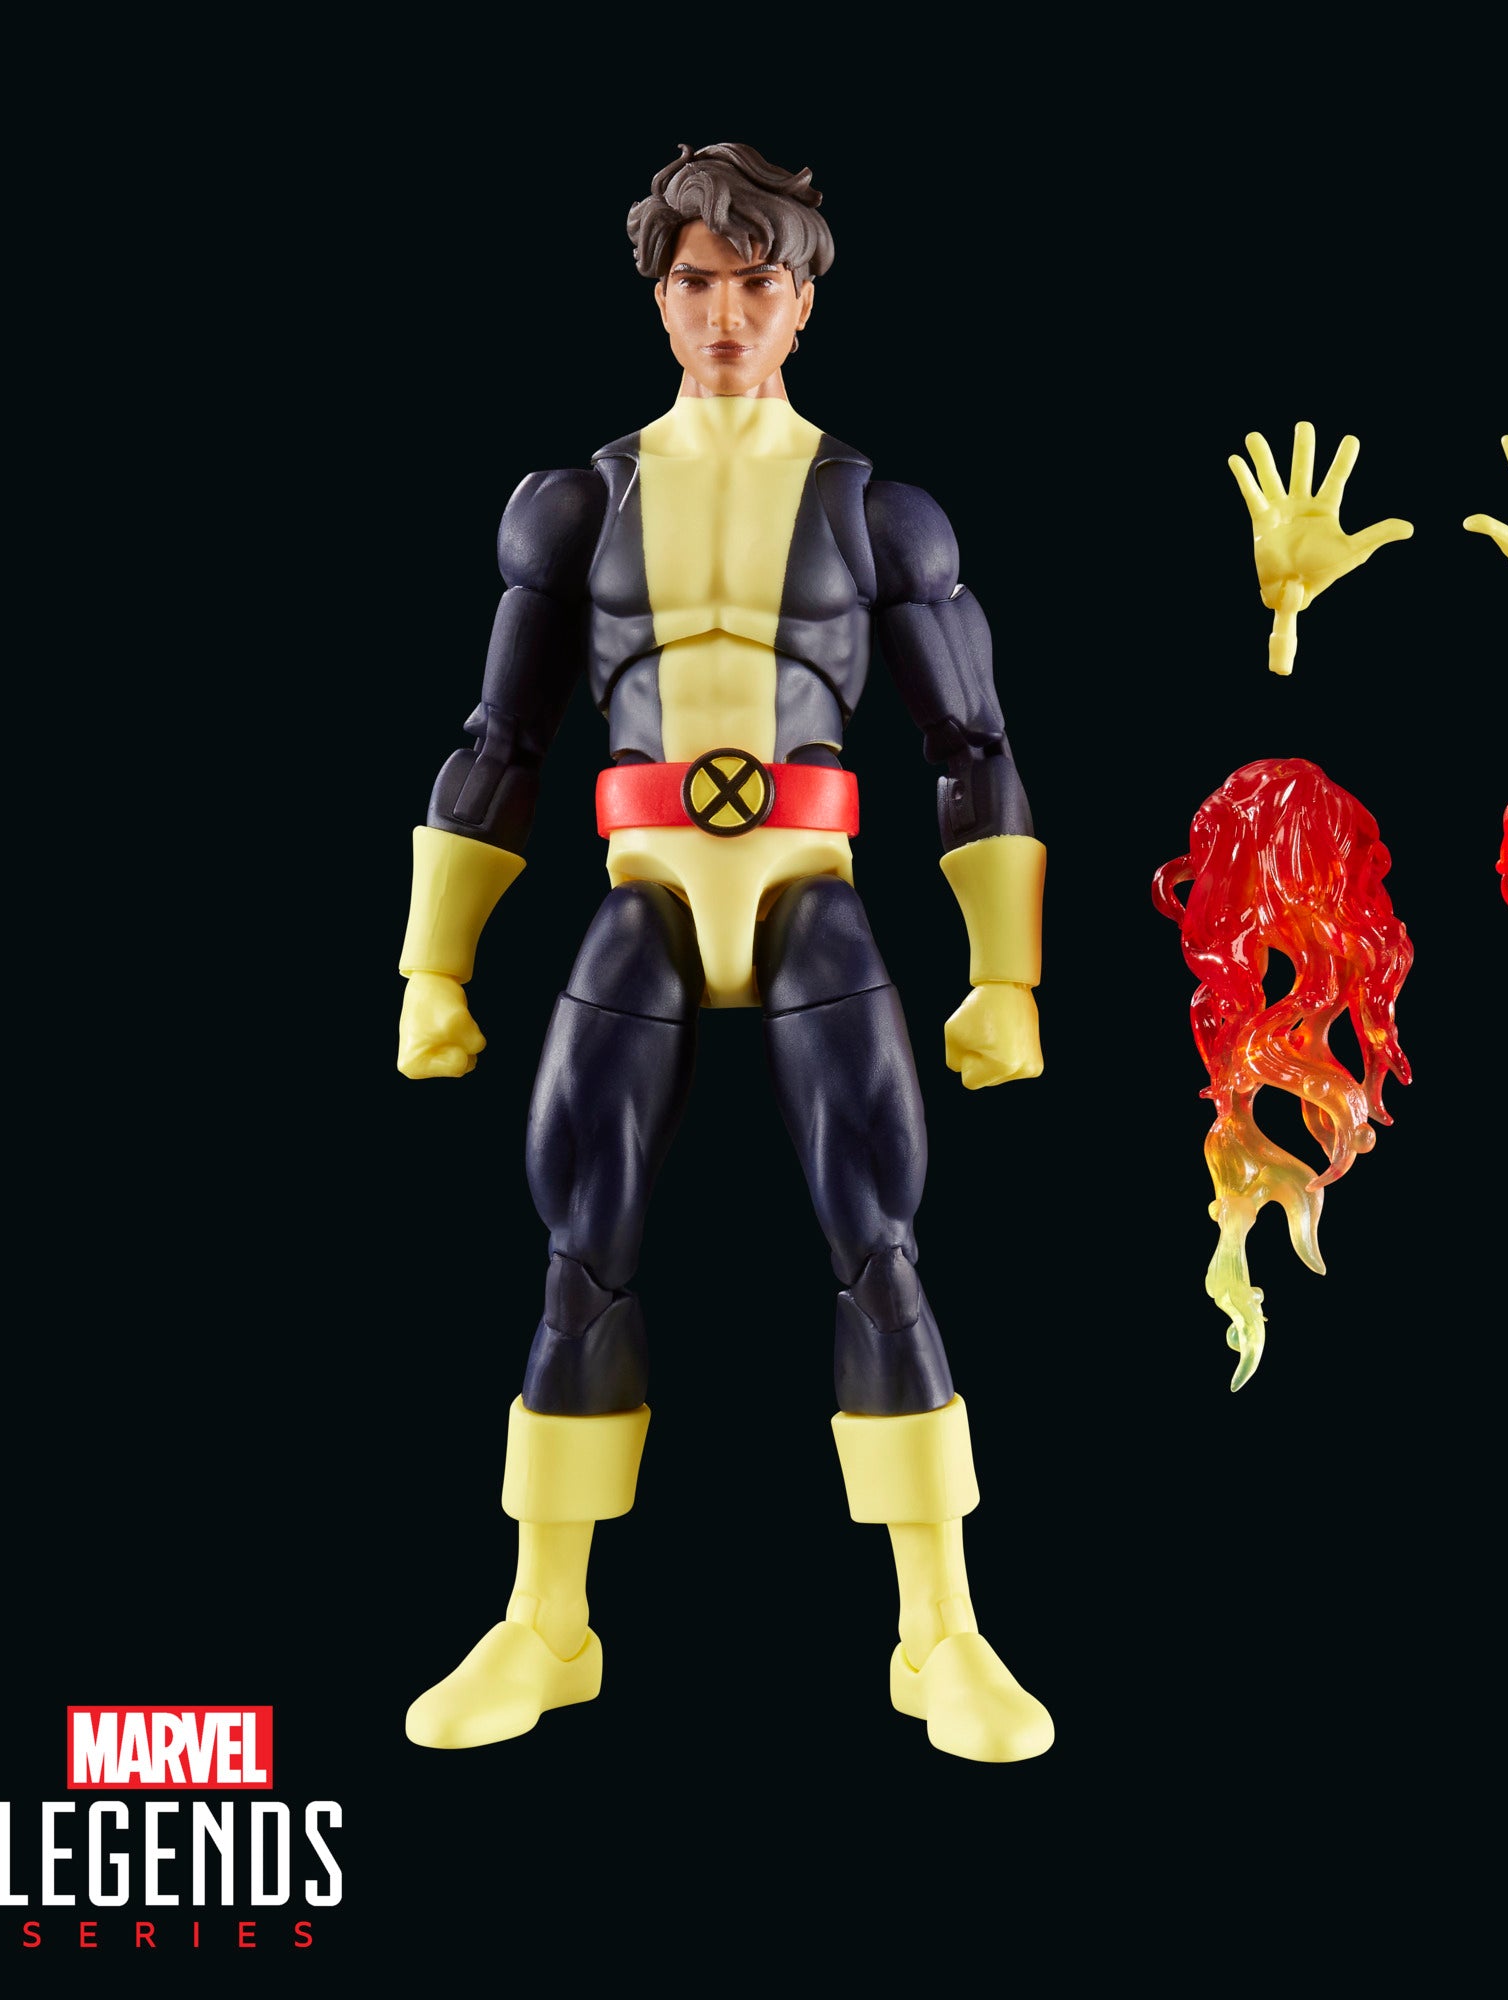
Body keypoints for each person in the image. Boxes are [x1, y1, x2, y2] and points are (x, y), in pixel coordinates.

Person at [396, 142, 1053, 1762]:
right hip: (645, 886)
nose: (726, 314)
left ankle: (941, 1630)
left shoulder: (876, 511)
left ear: (804, 299)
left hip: (809, 885)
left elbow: (971, 743)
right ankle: (547, 1624)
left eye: (759, 282)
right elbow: (500, 738)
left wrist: (1004, 974)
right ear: (660, 294)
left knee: (879, 1235)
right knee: (580, 1236)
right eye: (697, 281)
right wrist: (433, 964)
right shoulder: (579, 504)